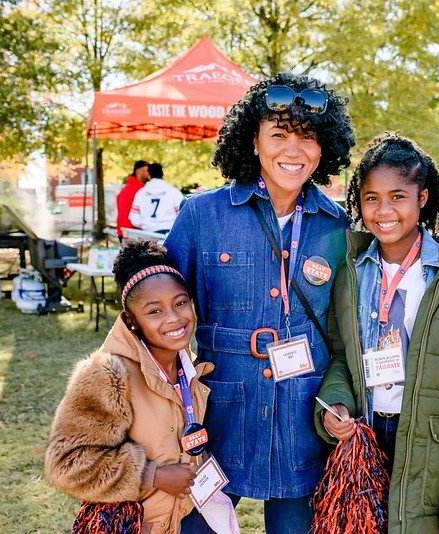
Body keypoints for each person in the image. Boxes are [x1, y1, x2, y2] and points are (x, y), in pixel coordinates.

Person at [166, 73, 356, 533]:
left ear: (323, 149)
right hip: (218, 411)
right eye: (279, 135)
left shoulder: (339, 227)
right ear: (253, 141)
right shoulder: (202, 216)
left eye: (308, 138)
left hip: (302, 413)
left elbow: (348, 330)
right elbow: (155, 311)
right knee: (198, 527)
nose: (294, 150)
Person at [315, 133, 439, 532]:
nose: (383, 210)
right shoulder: (349, 272)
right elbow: (338, 357)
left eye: (398, 196)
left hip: (430, 446)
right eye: (371, 198)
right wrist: (334, 406)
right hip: (364, 438)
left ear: (422, 198)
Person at [45, 240, 217, 534]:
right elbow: (65, 464)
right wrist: (153, 475)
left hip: (184, 520)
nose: (174, 318)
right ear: (130, 320)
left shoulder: (189, 364)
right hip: (133, 526)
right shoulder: (109, 375)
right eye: (154, 311)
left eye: (180, 303)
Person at [130, 163, 185, 234]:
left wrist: (147, 225)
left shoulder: (141, 193)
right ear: (162, 174)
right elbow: (182, 215)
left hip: (148, 234)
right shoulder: (174, 192)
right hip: (169, 234)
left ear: (149, 175)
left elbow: (134, 219)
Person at [116, 160, 149, 239]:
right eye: (147, 171)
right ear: (139, 171)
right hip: (133, 232)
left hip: (123, 231)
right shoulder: (141, 190)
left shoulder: (126, 188)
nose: (149, 173)